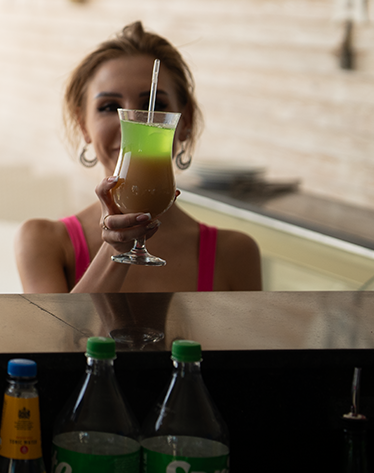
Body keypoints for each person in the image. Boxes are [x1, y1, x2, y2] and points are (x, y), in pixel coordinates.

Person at [15, 22, 262, 293]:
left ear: (185, 120)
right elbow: (57, 324)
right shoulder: (44, 241)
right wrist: (115, 247)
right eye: (109, 106)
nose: (131, 123)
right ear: (83, 125)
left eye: (152, 105)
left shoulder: (234, 254)